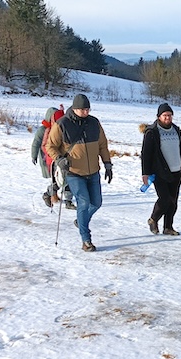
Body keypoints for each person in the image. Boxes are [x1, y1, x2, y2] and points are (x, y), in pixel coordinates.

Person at [46, 94, 112, 252]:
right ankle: (86, 240)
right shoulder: (62, 124)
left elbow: (102, 145)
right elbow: (50, 146)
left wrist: (108, 164)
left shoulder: (94, 123)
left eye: (88, 109)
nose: (86, 112)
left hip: (93, 171)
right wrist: (59, 159)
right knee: (83, 202)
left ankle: (81, 221)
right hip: (74, 172)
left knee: (96, 203)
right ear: (75, 108)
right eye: (83, 109)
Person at [142, 103, 181, 235]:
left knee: (173, 202)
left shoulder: (176, 130)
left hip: (176, 170)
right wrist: (145, 173)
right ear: (159, 116)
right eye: (165, 115)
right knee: (164, 199)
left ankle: (168, 227)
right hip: (160, 171)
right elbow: (146, 154)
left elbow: (180, 148)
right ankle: (153, 219)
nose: (168, 118)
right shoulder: (152, 132)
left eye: (170, 115)